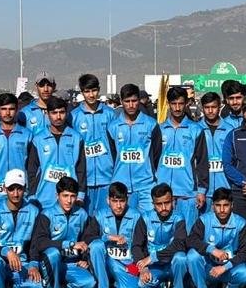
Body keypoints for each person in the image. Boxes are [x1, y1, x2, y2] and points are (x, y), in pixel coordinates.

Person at [31, 176, 96, 288]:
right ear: (57, 195)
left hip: (71, 264)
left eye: (73, 196)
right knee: (53, 253)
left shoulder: (82, 214)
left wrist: (85, 258)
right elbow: (40, 243)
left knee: (89, 284)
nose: (69, 200)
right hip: (51, 262)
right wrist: (69, 244)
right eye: (65, 195)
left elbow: (87, 239)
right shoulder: (46, 214)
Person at [185, 188, 246, 288]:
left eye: (226, 205)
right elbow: (191, 240)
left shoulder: (241, 223)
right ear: (212, 206)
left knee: (244, 274)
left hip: (229, 267)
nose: (222, 209)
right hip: (209, 268)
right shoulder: (204, 220)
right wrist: (211, 249)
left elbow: (245, 252)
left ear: (232, 205)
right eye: (218, 205)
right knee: (192, 255)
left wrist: (224, 267)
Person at [0, 169, 47, 288]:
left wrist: (33, 264)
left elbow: (36, 243)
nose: (15, 193)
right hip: (1, 263)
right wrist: (6, 252)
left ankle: (11, 287)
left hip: (23, 264)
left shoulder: (34, 212)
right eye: (11, 189)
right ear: (4, 189)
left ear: (25, 189)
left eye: (19, 189)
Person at [131, 182, 194, 288]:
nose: (164, 207)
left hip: (172, 265)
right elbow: (136, 246)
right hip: (154, 267)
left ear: (173, 201)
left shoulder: (179, 218)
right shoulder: (145, 218)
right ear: (153, 205)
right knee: (142, 284)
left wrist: (152, 257)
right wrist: (143, 268)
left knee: (181, 257)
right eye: (159, 204)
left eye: (167, 202)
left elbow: (179, 244)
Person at [85, 180, 145, 288]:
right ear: (108, 200)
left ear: (127, 200)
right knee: (96, 245)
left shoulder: (136, 216)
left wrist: (139, 268)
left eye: (122, 201)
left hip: (125, 265)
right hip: (105, 262)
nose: (118, 205)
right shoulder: (99, 215)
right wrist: (108, 237)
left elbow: (140, 245)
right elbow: (87, 238)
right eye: (114, 201)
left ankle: (118, 285)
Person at [156, 87, 207, 230]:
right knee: (167, 235)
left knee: (188, 233)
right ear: (168, 104)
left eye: (180, 103)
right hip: (164, 194)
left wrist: (201, 191)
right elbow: (153, 160)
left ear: (186, 104)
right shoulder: (159, 129)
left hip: (187, 194)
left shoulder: (196, 130)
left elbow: (202, 162)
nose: (177, 107)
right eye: (174, 103)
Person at [107, 84, 161, 213]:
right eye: (127, 101)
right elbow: (112, 156)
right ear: (121, 102)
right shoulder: (113, 127)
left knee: (147, 225)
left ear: (139, 101)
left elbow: (157, 154)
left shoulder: (151, 124)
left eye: (134, 101)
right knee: (126, 225)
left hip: (145, 186)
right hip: (122, 187)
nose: (131, 105)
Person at [26, 97, 87, 212]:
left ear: (66, 113)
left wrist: (80, 195)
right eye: (54, 113)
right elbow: (32, 170)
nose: (58, 117)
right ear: (47, 115)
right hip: (44, 198)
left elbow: (81, 169)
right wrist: (32, 195)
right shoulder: (38, 139)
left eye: (62, 112)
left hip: (69, 199)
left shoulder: (76, 138)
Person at [71, 74, 118, 217]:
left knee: (105, 218)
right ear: (82, 92)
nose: (91, 95)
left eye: (94, 90)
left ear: (99, 90)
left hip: (107, 177)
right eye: (87, 91)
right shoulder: (74, 116)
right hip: (85, 179)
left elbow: (116, 145)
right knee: (84, 220)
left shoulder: (110, 114)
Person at [0, 93, 30, 214]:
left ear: (17, 110)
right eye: (4, 109)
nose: (7, 113)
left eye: (11, 109)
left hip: (20, 193)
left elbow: (31, 166)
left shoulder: (27, 135)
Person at [197, 92, 233, 214]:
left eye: (214, 107)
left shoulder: (230, 130)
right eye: (207, 107)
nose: (210, 111)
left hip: (224, 188)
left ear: (220, 107)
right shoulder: (195, 129)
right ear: (202, 108)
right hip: (202, 191)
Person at [20, 73, 56, 137]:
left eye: (49, 85)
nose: (45, 89)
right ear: (36, 86)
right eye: (41, 85)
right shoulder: (25, 112)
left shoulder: (61, 111)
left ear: (54, 86)